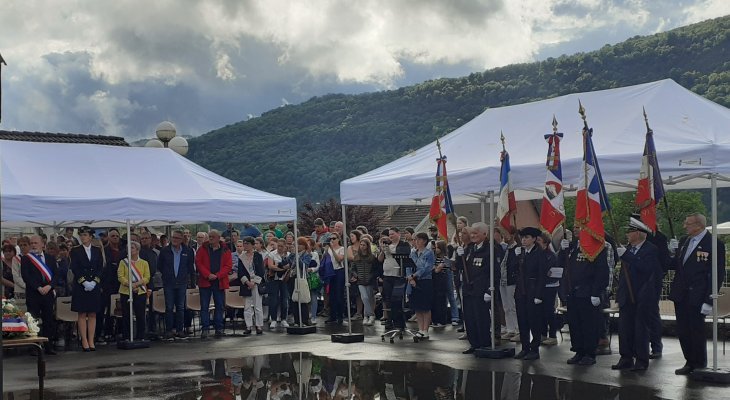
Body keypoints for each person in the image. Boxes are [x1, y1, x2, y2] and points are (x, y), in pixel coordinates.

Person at [668, 213, 726, 375]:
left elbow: (717, 273)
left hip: (698, 294)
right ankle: (689, 361)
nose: (685, 226)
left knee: (696, 330)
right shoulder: (684, 241)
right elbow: (675, 265)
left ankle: (699, 363)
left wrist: (709, 298)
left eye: (688, 223)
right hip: (681, 293)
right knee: (683, 330)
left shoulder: (714, 244)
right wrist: (670, 253)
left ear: (699, 225)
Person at [611, 215, 662, 371]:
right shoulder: (628, 249)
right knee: (625, 328)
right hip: (627, 295)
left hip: (643, 296)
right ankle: (626, 357)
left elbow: (646, 269)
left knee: (641, 329)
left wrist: (627, 255)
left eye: (630, 231)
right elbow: (623, 275)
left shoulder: (650, 249)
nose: (627, 234)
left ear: (639, 233)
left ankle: (641, 359)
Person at [563, 224, 610, 366]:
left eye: (580, 227)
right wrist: (562, 251)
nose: (576, 229)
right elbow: (563, 265)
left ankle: (590, 353)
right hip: (573, 292)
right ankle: (579, 351)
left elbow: (602, 272)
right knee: (575, 324)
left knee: (589, 324)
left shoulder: (597, 248)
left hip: (588, 292)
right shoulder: (573, 247)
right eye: (575, 227)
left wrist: (596, 292)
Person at [460, 222, 502, 354]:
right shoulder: (470, 248)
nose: (472, 236)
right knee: (470, 317)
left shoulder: (490, 249)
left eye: (475, 233)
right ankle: (474, 343)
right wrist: (458, 255)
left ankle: (484, 343)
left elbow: (495, 272)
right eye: (471, 233)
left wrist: (490, 290)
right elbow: (460, 267)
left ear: (485, 234)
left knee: (481, 318)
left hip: (481, 289)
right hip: (468, 289)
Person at [513, 227, 549, 361]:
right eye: (522, 237)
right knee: (522, 321)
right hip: (521, 291)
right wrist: (516, 258)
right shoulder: (521, 252)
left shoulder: (539, 253)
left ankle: (534, 349)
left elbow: (541, 275)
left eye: (526, 237)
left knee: (534, 321)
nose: (523, 240)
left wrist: (539, 295)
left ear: (534, 239)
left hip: (533, 290)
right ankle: (525, 347)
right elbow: (515, 270)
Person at [22, 235, 58, 354]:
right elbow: (26, 276)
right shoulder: (26, 258)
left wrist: (49, 286)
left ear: (43, 244)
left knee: (48, 320)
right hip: (34, 294)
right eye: (31, 243)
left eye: (36, 243)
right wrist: (38, 287)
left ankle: (49, 346)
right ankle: (34, 346)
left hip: (47, 294)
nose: (33, 245)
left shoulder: (50, 258)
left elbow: (56, 276)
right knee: (33, 320)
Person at [69, 226, 104, 351]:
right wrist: (84, 282)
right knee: (82, 312)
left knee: (93, 313)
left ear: (90, 236)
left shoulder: (96, 250)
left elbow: (100, 267)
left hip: (94, 284)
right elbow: (75, 268)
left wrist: (94, 281)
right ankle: (84, 339)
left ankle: (91, 339)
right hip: (81, 285)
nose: (83, 237)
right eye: (81, 235)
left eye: (85, 235)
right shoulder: (75, 250)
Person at [158, 229, 196, 339]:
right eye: (173, 237)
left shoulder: (187, 251)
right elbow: (160, 265)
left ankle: (180, 330)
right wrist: (167, 275)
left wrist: (189, 281)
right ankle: (169, 330)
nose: (174, 240)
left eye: (177, 238)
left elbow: (190, 267)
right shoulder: (165, 251)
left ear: (181, 240)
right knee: (169, 307)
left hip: (182, 282)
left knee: (180, 307)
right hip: (169, 282)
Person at [196, 229, 233, 338]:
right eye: (209, 236)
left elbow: (228, 265)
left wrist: (218, 275)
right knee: (204, 306)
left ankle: (219, 328)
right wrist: (208, 275)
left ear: (218, 238)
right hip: (205, 281)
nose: (210, 238)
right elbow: (198, 263)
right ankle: (205, 329)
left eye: (213, 237)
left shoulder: (226, 249)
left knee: (220, 306)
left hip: (219, 281)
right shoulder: (202, 249)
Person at [118, 241, 150, 342]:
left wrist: (137, 284)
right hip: (126, 292)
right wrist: (130, 285)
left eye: (132, 248)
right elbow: (120, 276)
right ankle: (126, 336)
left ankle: (141, 336)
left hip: (140, 291)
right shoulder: (123, 262)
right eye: (128, 248)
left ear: (137, 250)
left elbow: (147, 277)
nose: (130, 250)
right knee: (126, 314)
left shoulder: (144, 263)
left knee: (140, 314)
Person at [238, 237, 266, 335]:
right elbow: (240, 272)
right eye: (244, 243)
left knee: (258, 306)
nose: (245, 245)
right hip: (246, 284)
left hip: (256, 284)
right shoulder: (241, 257)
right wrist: (247, 282)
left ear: (252, 245)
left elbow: (261, 270)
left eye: (247, 243)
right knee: (247, 306)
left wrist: (254, 282)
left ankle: (259, 326)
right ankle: (248, 326)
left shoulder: (258, 256)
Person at [409, 232, 434, 338]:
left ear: (424, 241)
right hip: (414, 280)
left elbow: (427, 268)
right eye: (415, 239)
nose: (416, 241)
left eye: (418, 239)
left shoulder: (429, 253)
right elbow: (408, 266)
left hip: (425, 280)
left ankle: (425, 330)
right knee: (418, 307)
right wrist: (410, 277)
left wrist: (414, 275)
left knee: (425, 306)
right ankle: (420, 329)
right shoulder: (413, 253)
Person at [536, 232, 559, 345]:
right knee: (540, 311)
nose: (537, 242)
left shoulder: (551, 255)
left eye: (539, 240)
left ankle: (553, 336)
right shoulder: (538, 254)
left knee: (549, 311)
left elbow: (552, 271)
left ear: (545, 242)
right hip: (540, 286)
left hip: (550, 286)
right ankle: (543, 333)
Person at [498, 226, 519, 341]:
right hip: (503, 280)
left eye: (506, 234)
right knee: (506, 306)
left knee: (512, 306)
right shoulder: (506, 248)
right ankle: (510, 328)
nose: (504, 236)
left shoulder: (516, 248)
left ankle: (517, 329)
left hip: (511, 280)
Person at [266, 240, 292, 329]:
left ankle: (284, 319)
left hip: (285, 280)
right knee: (273, 299)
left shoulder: (288, 255)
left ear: (285, 246)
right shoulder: (272, 254)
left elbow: (290, 266)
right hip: (274, 279)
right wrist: (281, 268)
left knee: (284, 299)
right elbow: (270, 266)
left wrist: (278, 266)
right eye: (278, 246)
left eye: (281, 246)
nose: (280, 248)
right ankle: (273, 319)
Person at [352, 237, 377, 326]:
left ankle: (366, 316)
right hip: (360, 281)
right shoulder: (356, 257)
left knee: (370, 299)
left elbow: (375, 270)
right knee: (364, 297)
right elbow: (353, 269)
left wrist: (371, 277)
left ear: (367, 246)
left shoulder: (372, 257)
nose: (362, 247)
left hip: (370, 281)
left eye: (364, 245)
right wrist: (356, 275)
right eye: (361, 245)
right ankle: (371, 315)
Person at [324, 233, 346, 324]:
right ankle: (332, 315)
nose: (332, 240)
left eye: (334, 238)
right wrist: (326, 251)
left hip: (338, 271)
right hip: (330, 272)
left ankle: (340, 315)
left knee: (339, 294)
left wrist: (332, 249)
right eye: (330, 238)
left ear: (338, 239)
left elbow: (339, 259)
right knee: (331, 295)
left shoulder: (342, 249)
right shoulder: (328, 249)